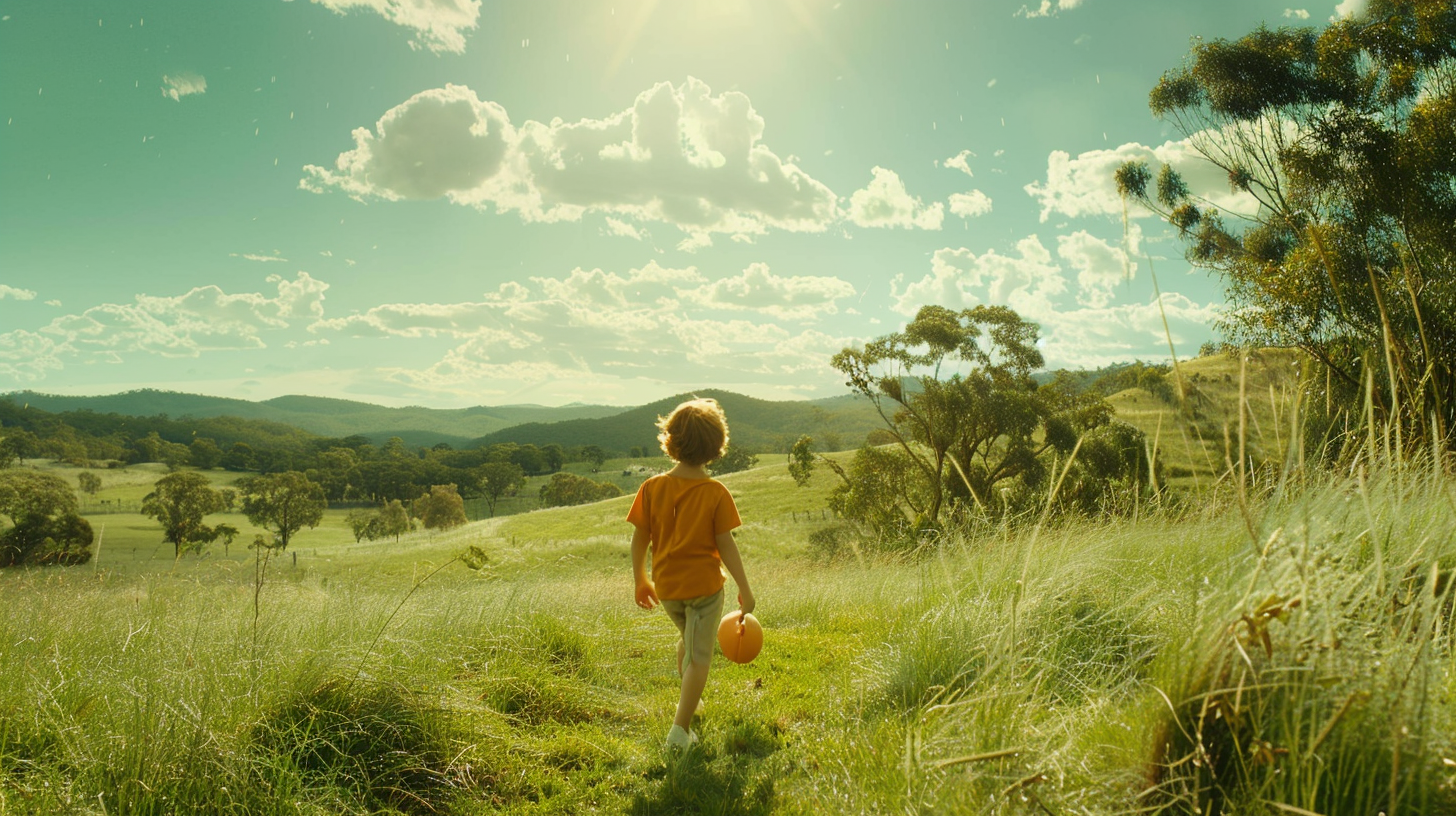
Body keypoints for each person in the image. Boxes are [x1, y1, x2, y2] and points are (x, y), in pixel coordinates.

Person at [627, 397, 755, 751]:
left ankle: (691, 698)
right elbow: (726, 545)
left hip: (668, 589)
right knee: (700, 656)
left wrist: (640, 578)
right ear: (717, 447)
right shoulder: (715, 493)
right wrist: (745, 587)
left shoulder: (651, 488)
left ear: (670, 440)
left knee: (689, 637)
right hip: (706, 589)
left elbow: (640, 539)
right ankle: (680, 732)